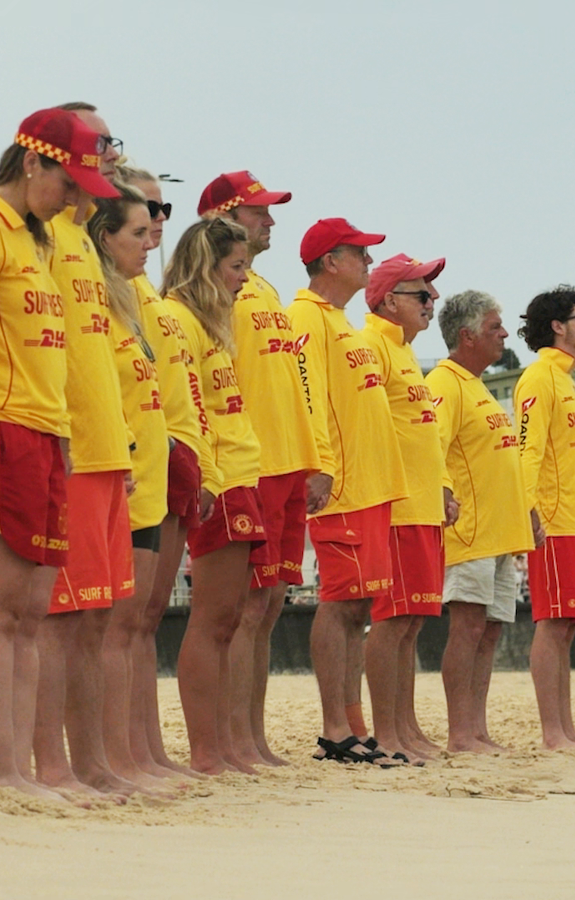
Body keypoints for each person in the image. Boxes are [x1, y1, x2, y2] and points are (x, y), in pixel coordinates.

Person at [0, 107, 110, 804]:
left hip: (43, 430)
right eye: (67, 181)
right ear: (32, 162)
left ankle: (17, 768)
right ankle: (0, 772)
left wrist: (65, 434)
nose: (77, 198)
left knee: (31, 613)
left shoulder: (37, 238)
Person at [34, 102, 135, 797]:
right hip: (65, 448)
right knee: (60, 621)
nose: (109, 152)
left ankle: (94, 761)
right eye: (97, 141)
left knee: (97, 618)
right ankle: (51, 763)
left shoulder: (79, 240)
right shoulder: (37, 232)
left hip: (105, 453)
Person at [204, 171, 316, 768]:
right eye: (259, 212)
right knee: (244, 607)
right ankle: (231, 738)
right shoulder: (216, 288)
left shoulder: (265, 291)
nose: (270, 220)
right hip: (248, 461)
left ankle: (253, 734)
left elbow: (295, 385)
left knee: (269, 606)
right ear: (225, 218)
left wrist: (311, 461)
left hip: (285, 462)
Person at [289, 218, 407, 765]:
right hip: (343, 485)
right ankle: (335, 728)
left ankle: (354, 726)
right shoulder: (306, 317)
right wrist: (320, 464)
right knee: (339, 605)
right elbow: (306, 395)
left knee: (357, 608)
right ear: (330, 261)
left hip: (372, 486)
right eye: (357, 252)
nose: (366, 260)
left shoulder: (340, 323)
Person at [164, 217, 268, 774]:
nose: (243, 280)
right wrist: (207, 474)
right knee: (214, 618)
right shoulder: (180, 318)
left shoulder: (210, 323)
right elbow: (189, 407)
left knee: (230, 621)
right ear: (206, 266)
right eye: (235, 267)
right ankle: (207, 748)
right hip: (218, 477)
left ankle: (223, 743)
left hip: (239, 471)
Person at [84, 183, 175, 793]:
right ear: (104, 237)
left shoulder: (131, 303)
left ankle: (135, 754)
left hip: (142, 476)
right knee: (109, 629)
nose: (151, 242)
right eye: (139, 233)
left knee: (135, 624)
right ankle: (114, 757)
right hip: (113, 469)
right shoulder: (98, 299)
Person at [427, 291, 538, 753]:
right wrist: (444, 492)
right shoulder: (446, 382)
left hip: (500, 529)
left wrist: (527, 513)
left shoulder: (480, 386)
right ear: (467, 335)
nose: (505, 334)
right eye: (495, 327)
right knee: (468, 628)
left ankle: (477, 728)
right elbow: (432, 443)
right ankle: (459, 732)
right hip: (469, 529)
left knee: (490, 632)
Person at [127, 168, 207, 779]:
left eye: (163, 207)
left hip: (172, 447)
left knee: (147, 617)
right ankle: (128, 752)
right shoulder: (135, 293)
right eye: (149, 206)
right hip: (139, 450)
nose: (159, 217)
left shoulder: (153, 298)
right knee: (125, 619)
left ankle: (146, 749)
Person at [360, 253, 453, 764]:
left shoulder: (405, 354)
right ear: (390, 299)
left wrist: (441, 486)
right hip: (394, 506)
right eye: (422, 294)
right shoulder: (371, 344)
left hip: (422, 505)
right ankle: (387, 730)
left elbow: (420, 432)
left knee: (414, 620)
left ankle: (406, 725)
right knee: (392, 619)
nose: (432, 301)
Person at [513, 286, 575, 752]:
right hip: (554, 521)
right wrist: (528, 509)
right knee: (552, 623)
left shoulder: (567, 381)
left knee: (569, 625)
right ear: (558, 326)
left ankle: (566, 729)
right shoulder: (538, 379)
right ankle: (553, 732)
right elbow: (527, 451)